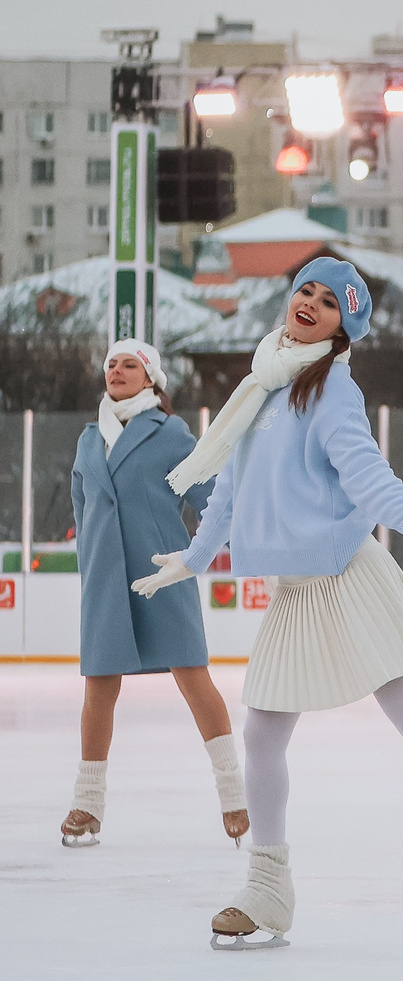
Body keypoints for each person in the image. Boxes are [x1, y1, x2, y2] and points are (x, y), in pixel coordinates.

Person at [132, 259, 403, 951]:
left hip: (350, 575)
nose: (311, 303)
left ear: (342, 328)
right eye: (306, 291)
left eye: (329, 302)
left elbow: (364, 470)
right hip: (297, 588)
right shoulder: (263, 383)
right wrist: (194, 557)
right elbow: (231, 486)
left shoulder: (332, 388)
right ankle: (268, 889)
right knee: (262, 736)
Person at [59, 339, 247, 850]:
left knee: (193, 677)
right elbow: (82, 507)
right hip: (105, 580)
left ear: (151, 379)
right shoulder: (88, 441)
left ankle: (234, 794)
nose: (117, 371)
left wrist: (250, 551)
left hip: (162, 572)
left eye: (130, 365)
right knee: (99, 687)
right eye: (111, 364)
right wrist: (90, 560)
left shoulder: (171, 434)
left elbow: (213, 501)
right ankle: (87, 804)